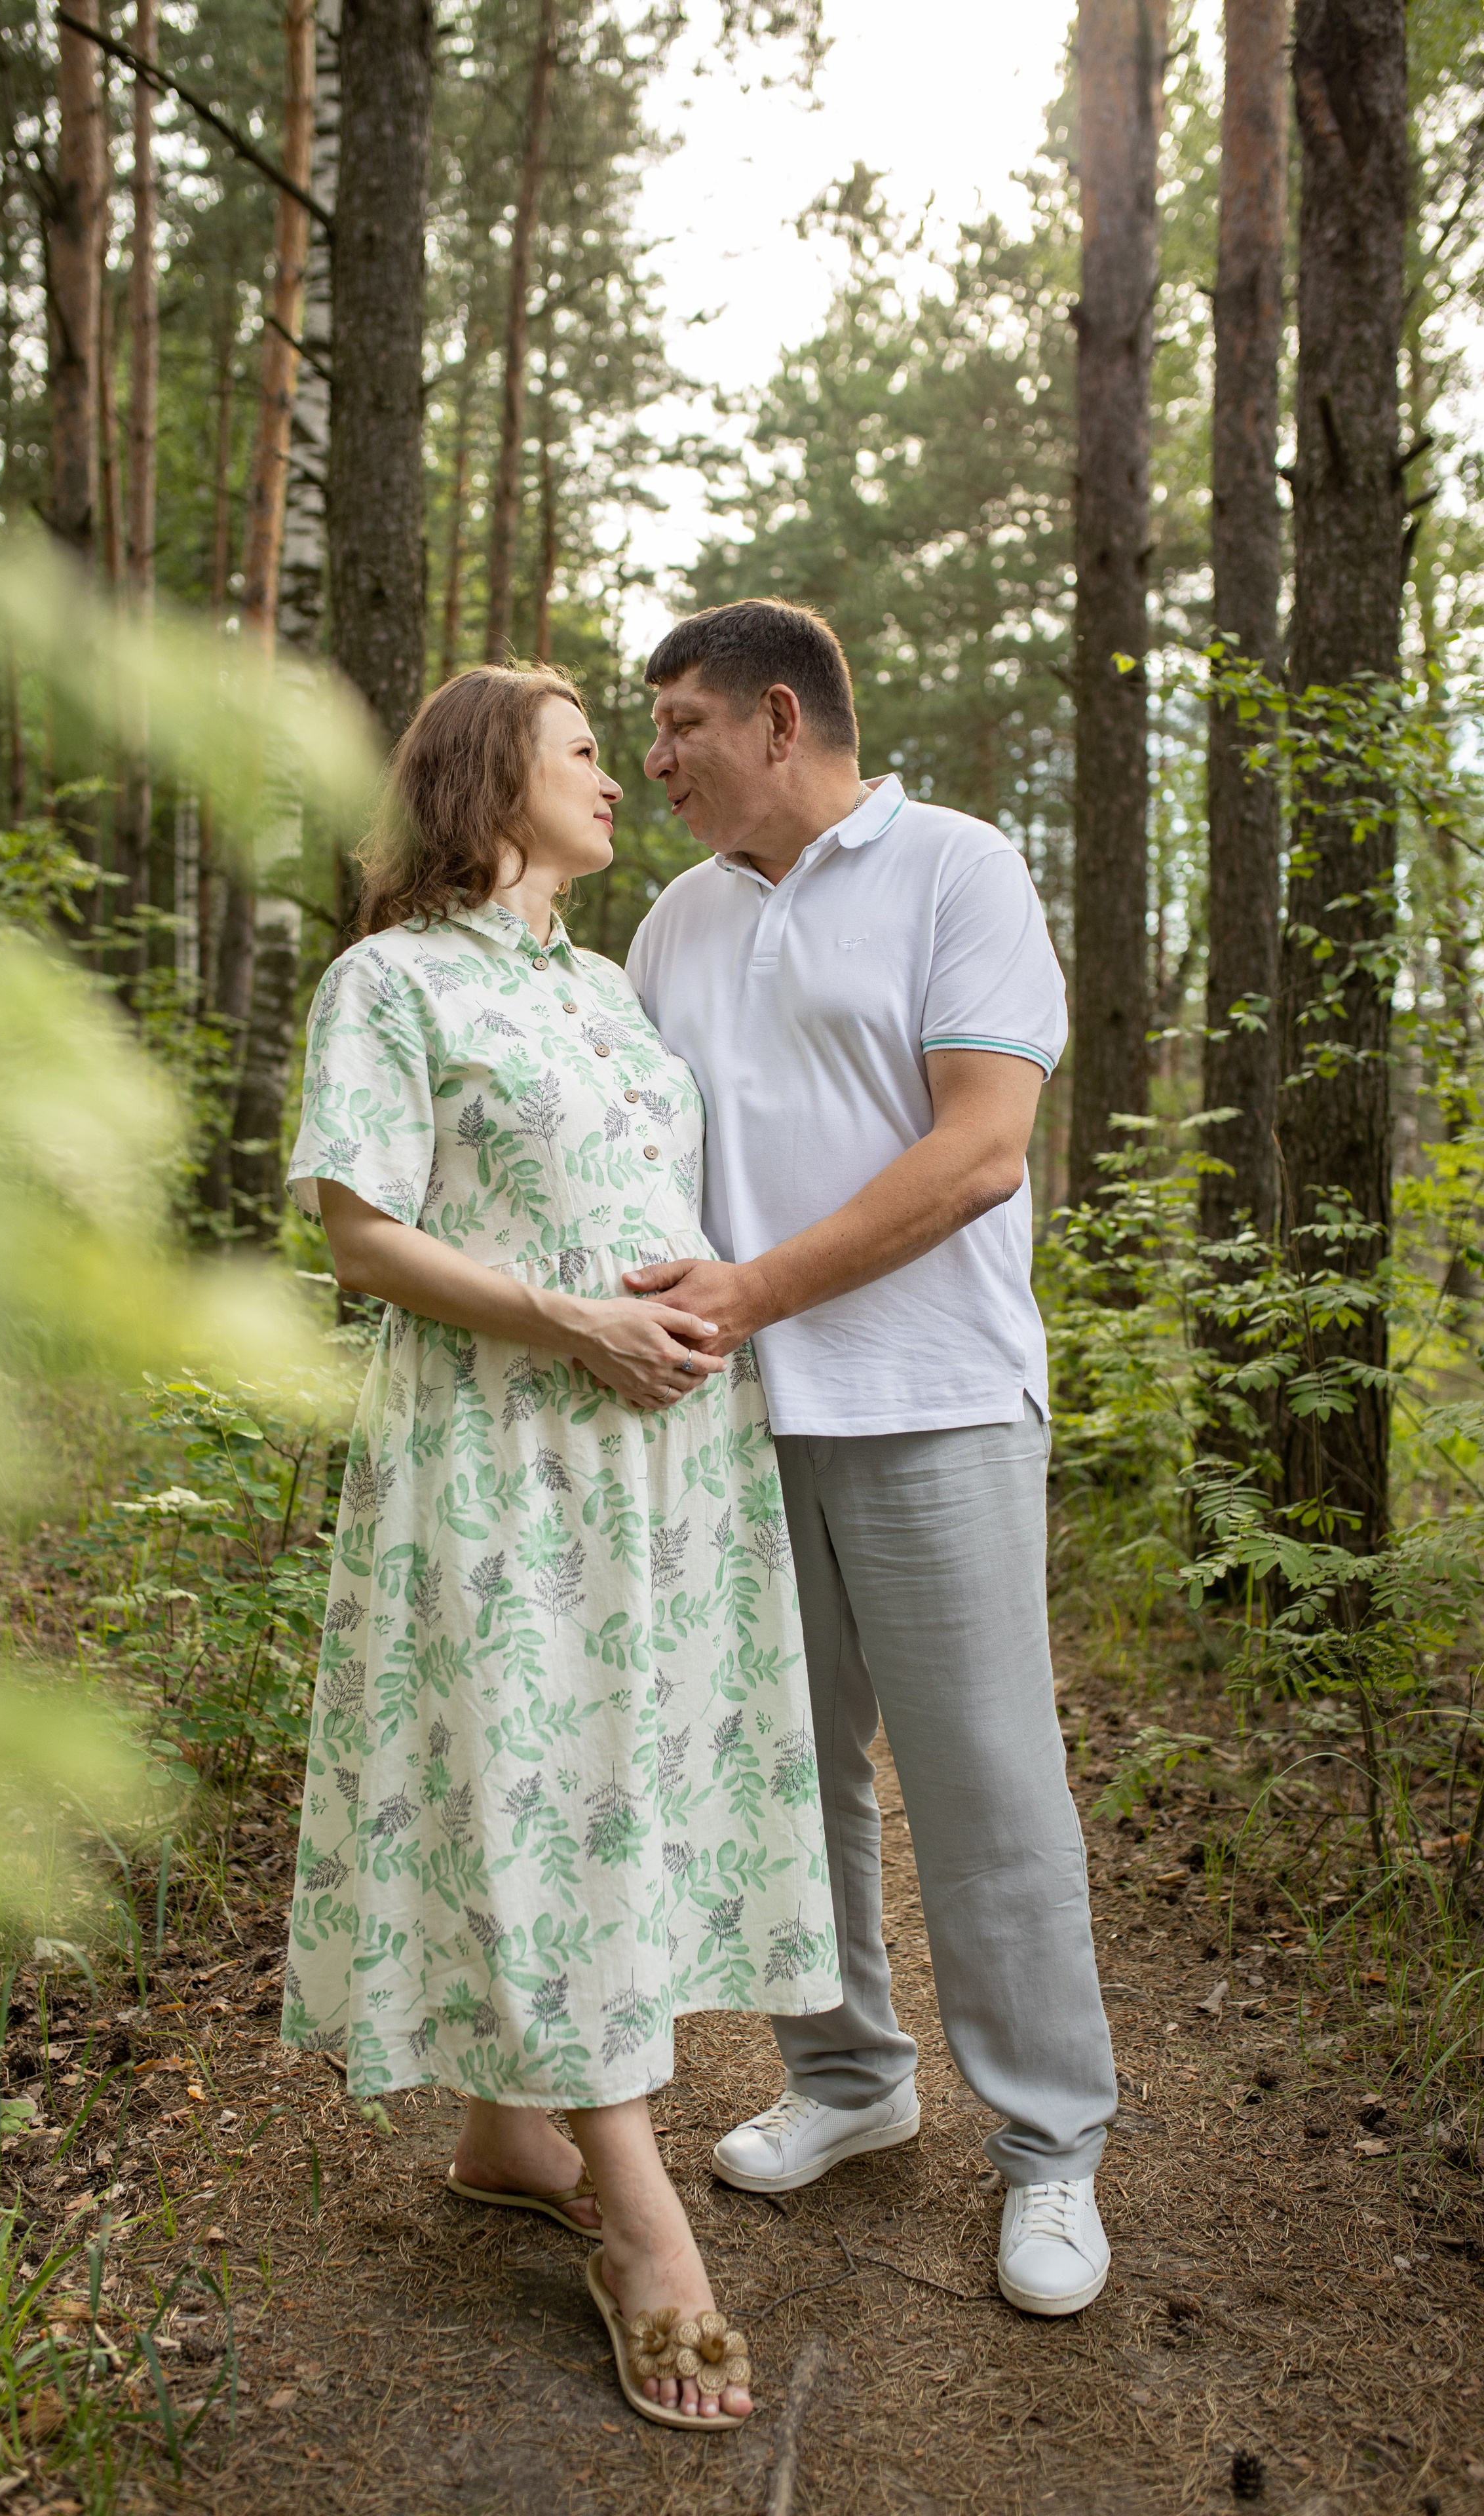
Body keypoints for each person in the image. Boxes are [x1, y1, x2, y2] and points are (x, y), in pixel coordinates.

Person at [278, 662, 841, 2425]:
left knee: (623, 1782)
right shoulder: (390, 981)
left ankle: (513, 2134)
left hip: (662, 1474)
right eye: (589, 753)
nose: (624, 777)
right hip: (504, 1451)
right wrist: (573, 1321)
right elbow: (360, 1236)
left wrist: (686, 1318)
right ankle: (643, 2225)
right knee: (559, 1793)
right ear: (487, 782)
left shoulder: (607, 987)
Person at [623, 599, 1119, 2319]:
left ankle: (1052, 2153)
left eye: (681, 722)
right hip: (736, 1427)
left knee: (985, 1787)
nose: (654, 756)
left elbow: (982, 1152)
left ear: (780, 719)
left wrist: (754, 1290)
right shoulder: (673, 923)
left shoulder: (958, 870)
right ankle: (847, 2078)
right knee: (784, 1778)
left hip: (937, 1400)